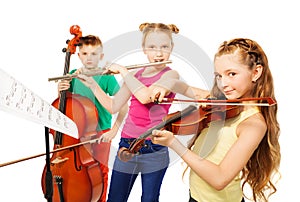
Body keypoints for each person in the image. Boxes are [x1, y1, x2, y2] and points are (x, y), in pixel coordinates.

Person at [151, 38, 281, 202]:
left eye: (232, 74)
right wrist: (167, 85)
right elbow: (185, 89)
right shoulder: (222, 106)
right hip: (196, 196)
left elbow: (219, 179)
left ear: (256, 72)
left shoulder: (253, 124)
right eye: (219, 76)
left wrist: (173, 144)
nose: (223, 84)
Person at [77, 22, 186, 202]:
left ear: (171, 48)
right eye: (152, 47)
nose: (159, 53)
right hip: (127, 145)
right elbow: (113, 107)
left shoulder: (171, 75)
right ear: (144, 49)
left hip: (155, 148)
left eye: (164, 47)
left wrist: (123, 71)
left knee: (149, 199)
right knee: (116, 198)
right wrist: (93, 85)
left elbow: (145, 97)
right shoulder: (135, 75)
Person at [58, 34, 128, 202]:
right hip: (76, 133)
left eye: (94, 54)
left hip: (101, 132)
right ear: (78, 55)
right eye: (85, 53)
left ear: (101, 56)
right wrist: (61, 90)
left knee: (100, 171)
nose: (89, 58)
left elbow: (123, 105)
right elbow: (65, 106)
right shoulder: (73, 75)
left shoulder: (107, 76)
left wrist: (114, 130)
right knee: (78, 171)